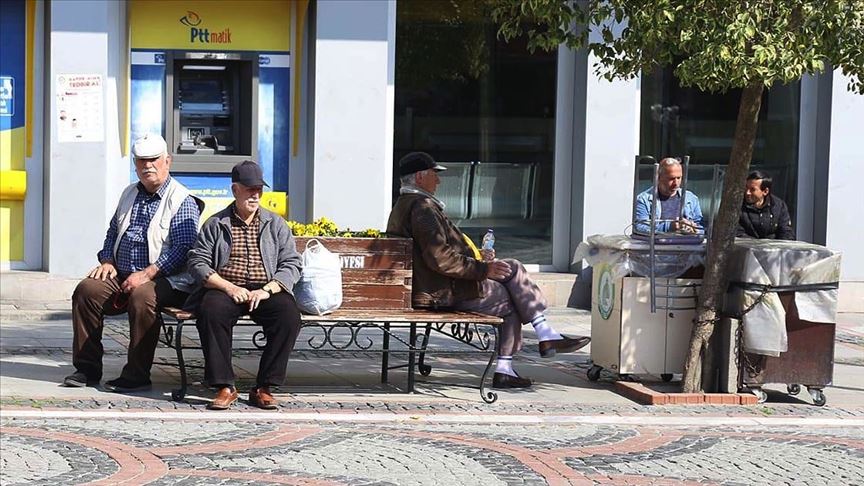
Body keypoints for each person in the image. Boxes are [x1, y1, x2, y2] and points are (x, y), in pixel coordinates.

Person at [386, 152, 590, 389]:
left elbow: (437, 255)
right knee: (512, 298)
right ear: (420, 177)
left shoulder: (408, 205)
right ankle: (520, 355)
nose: (438, 181)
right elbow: (439, 258)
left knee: (512, 267)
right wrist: (483, 269)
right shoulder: (422, 208)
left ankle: (542, 336)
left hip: (436, 286)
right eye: (434, 174)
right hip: (439, 292)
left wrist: (480, 260)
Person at [64, 133, 202, 391]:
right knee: (87, 290)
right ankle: (86, 369)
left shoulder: (182, 199)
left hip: (167, 279)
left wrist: (148, 274)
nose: (147, 166)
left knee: (142, 296)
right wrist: (107, 260)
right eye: (141, 161)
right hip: (123, 273)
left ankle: (137, 375)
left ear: (167, 161)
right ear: (135, 164)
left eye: (153, 160)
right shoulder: (129, 193)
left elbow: (184, 249)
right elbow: (113, 232)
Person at [186, 160, 303, 410]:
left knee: (288, 315)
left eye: (259, 189)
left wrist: (268, 288)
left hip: (265, 288)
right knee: (211, 311)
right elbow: (197, 262)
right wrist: (228, 287)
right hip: (227, 287)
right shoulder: (216, 224)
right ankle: (225, 386)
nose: (255, 194)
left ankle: (264, 386)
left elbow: (292, 263)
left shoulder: (275, 223)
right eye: (249, 189)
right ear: (235, 189)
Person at [634, 157, 705, 235]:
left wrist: (694, 229)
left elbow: (701, 227)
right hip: (657, 245)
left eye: (679, 178)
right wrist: (669, 227)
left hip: (685, 245)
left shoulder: (691, 199)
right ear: (659, 178)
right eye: (671, 179)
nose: (676, 183)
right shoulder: (644, 200)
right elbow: (640, 227)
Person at [737, 170, 795, 240]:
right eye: (746, 188)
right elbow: (737, 233)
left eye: (752, 189)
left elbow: (786, 232)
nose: (747, 193)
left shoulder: (778, 206)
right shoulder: (738, 206)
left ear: (765, 191)